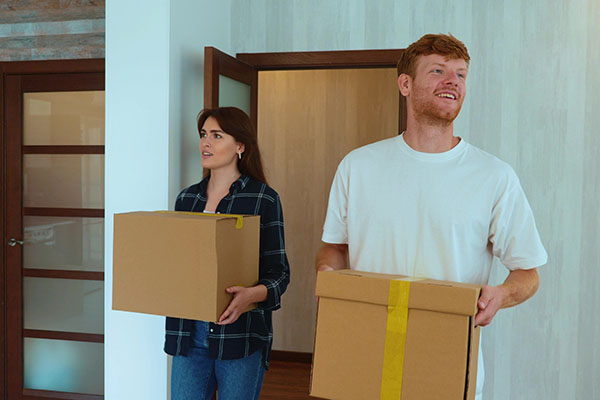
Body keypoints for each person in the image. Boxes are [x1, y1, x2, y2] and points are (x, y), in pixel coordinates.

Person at [315, 33, 547, 400]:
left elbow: (528, 273)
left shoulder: (494, 176)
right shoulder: (357, 167)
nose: (452, 81)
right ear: (405, 84)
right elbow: (334, 249)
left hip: (449, 361)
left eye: (460, 74)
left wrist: (501, 294)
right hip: (364, 353)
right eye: (438, 71)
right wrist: (329, 281)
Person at [164, 107, 290, 400]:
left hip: (240, 337)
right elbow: (176, 264)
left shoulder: (263, 198)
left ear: (240, 146)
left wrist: (249, 295)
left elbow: (280, 274)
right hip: (188, 335)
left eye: (217, 136)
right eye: (203, 135)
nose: (205, 143)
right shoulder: (187, 199)